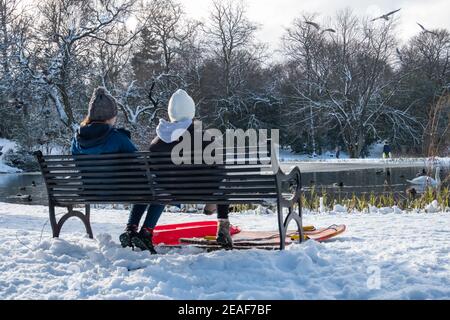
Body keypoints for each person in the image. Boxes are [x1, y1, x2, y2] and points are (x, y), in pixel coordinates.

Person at [125, 89, 233, 249]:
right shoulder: (205, 137)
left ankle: (135, 229)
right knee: (224, 181)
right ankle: (223, 229)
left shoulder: (156, 142)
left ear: (171, 114)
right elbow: (220, 168)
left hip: (166, 193)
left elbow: (152, 172)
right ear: (191, 112)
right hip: (200, 192)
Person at [71, 87, 165, 254]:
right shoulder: (117, 138)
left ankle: (131, 230)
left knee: (144, 187)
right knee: (159, 187)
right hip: (121, 191)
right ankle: (145, 232)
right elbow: (140, 163)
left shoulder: (77, 140)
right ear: (110, 116)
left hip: (90, 192)